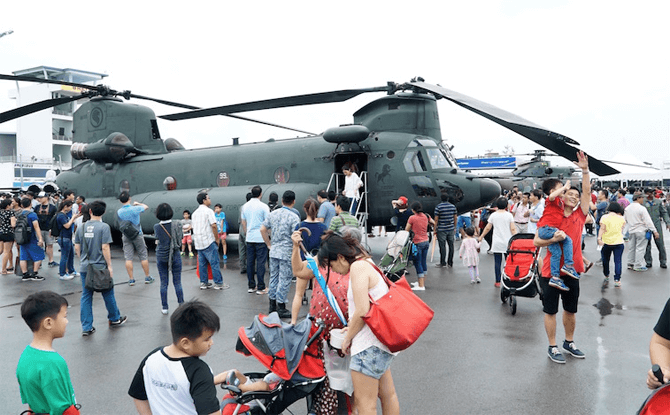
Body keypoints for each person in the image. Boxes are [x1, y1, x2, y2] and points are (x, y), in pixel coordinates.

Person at [319, 233, 399, 415]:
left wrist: (348, 338)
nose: (336, 272)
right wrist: (352, 326)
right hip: (380, 344)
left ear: (340, 257)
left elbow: (363, 309)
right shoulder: (367, 263)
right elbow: (365, 309)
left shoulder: (358, 268)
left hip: (368, 347)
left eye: (332, 265)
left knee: (365, 405)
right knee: (388, 395)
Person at [534, 151, 590, 364]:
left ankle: (569, 342)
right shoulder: (551, 217)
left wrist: (585, 170)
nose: (575, 197)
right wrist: (553, 239)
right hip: (550, 272)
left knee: (570, 310)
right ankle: (552, 346)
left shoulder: (579, 215)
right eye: (570, 194)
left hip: (573, 270)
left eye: (576, 196)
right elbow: (536, 242)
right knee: (550, 311)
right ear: (561, 197)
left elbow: (586, 191)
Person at [291, 227, 355, 414]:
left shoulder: (355, 265)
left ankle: (349, 409)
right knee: (322, 380)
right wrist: (295, 248)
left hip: (345, 333)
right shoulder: (322, 261)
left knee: (347, 381)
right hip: (320, 332)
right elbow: (299, 270)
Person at [128, 300, 226, 415]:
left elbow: (138, 396)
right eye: (207, 339)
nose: (211, 343)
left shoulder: (151, 358)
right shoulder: (200, 371)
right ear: (185, 343)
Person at [16, 291, 79, 415]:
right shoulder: (54, 362)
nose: (67, 321)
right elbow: (64, 408)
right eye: (64, 316)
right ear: (48, 323)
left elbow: (31, 403)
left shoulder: (25, 356)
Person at [74, 200, 127, 336]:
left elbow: (77, 247)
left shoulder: (81, 227)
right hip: (100, 267)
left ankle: (87, 327)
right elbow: (105, 247)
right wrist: (109, 265)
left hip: (86, 267)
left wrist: (83, 260)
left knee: (86, 296)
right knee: (108, 292)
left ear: (90, 211)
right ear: (103, 212)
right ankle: (114, 318)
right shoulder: (104, 227)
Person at [535, 179, 581, 291]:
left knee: (556, 253)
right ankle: (569, 265)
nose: (564, 190)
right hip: (547, 229)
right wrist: (564, 187)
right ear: (553, 190)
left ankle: (555, 277)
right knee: (567, 240)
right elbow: (551, 196)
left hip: (547, 229)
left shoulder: (560, 202)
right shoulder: (552, 200)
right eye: (560, 187)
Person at [261, 190, 301, 318]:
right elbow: (296, 236)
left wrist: (268, 243)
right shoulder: (294, 217)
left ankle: (272, 305)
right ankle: (281, 306)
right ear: (293, 201)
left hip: (274, 251)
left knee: (273, 277)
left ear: (282, 200)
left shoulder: (273, 214)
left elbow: (263, 229)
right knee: (284, 279)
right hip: (287, 251)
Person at [290, 199, 328, 320]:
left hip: (303, 264)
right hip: (318, 263)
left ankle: (293, 321)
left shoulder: (300, 226)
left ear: (305, 210)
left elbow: (295, 245)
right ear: (317, 210)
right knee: (317, 294)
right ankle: (315, 320)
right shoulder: (323, 227)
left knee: (298, 294)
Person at [192, 192, 228, 290]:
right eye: (208, 198)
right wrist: (216, 239)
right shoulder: (209, 211)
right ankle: (218, 283)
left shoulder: (194, 213)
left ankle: (203, 282)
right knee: (214, 262)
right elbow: (214, 225)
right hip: (208, 240)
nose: (210, 200)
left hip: (198, 242)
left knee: (202, 264)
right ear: (204, 200)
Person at [117, 192, 154, 286]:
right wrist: (138, 204)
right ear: (129, 198)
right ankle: (147, 277)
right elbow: (146, 207)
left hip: (126, 235)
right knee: (143, 255)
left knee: (128, 257)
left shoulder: (119, 211)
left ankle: (131, 279)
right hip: (137, 234)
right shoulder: (135, 209)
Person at [478, 197, 517, 287]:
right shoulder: (509, 215)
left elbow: (487, 227)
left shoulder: (493, 215)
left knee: (497, 262)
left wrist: (481, 237)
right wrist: (517, 238)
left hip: (497, 242)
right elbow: (513, 229)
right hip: (508, 242)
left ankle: (498, 281)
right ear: (507, 205)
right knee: (509, 261)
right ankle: (508, 278)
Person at [153, 203, 185, 315]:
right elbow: (180, 238)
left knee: (163, 283)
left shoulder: (157, 227)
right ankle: (181, 303)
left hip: (161, 256)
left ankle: (164, 307)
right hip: (175, 255)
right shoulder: (177, 224)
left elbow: (157, 239)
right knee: (177, 282)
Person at [241, 186, 270, 294]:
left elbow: (244, 222)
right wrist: (269, 237)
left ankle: (251, 286)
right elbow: (267, 223)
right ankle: (261, 287)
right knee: (261, 262)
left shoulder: (245, 206)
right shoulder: (263, 206)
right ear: (261, 194)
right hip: (261, 238)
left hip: (250, 237)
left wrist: (247, 232)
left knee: (250, 262)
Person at [624, 192, 658, 272]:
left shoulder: (627, 208)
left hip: (632, 230)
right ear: (638, 198)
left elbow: (625, 220)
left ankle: (630, 263)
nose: (643, 199)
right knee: (640, 248)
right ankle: (638, 265)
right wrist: (654, 231)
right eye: (642, 198)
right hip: (641, 230)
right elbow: (648, 221)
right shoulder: (641, 208)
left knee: (632, 247)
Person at [406, 201, 434, 291]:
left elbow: (407, 230)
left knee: (417, 263)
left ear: (413, 210)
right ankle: (421, 282)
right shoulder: (426, 216)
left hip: (417, 242)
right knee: (423, 262)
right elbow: (434, 223)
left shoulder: (412, 218)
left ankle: (421, 286)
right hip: (426, 241)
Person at [597, 202, 626, 288]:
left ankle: (606, 274)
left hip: (606, 242)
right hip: (619, 242)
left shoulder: (604, 217)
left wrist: (599, 238)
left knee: (605, 260)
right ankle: (617, 280)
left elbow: (602, 229)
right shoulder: (621, 218)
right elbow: (621, 229)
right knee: (618, 261)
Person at [18, 197, 45, 281]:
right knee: (39, 255)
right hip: (31, 238)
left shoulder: (19, 214)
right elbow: (36, 227)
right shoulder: (32, 215)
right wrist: (40, 238)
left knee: (23, 257)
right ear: (31, 204)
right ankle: (34, 273)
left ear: (21, 205)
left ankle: (25, 274)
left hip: (21, 238)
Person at [643, 187, 670, 269]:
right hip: (646, 226)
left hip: (656, 224)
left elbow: (664, 213)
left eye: (652, 192)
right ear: (646, 193)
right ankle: (648, 262)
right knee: (647, 245)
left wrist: (667, 222)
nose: (651, 194)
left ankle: (663, 262)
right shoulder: (642, 202)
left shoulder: (658, 202)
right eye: (649, 192)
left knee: (660, 244)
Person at [55, 200, 81, 281]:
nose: (70, 209)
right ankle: (62, 274)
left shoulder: (63, 215)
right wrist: (73, 218)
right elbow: (67, 225)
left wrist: (75, 217)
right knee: (65, 256)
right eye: (70, 207)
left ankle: (71, 270)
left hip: (67, 238)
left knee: (70, 255)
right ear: (65, 206)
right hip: (64, 238)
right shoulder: (61, 216)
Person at [433, 194, 457, 268]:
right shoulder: (453, 207)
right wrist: (454, 227)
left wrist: (434, 229)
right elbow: (455, 218)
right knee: (451, 245)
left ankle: (443, 262)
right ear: (448, 198)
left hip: (441, 229)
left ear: (441, 198)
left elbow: (436, 219)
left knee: (442, 246)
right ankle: (450, 262)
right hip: (450, 228)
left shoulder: (438, 207)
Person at [35, 191, 58, 268]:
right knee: (39, 245)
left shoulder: (52, 207)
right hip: (39, 229)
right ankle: (39, 262)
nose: (40, 199)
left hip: (49, 229)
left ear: (46, 198)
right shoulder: (37, 207)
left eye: (41, 197)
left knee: (49, 245)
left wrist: (53, 229)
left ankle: (51, 261)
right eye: (39, 197)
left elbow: (55, 218)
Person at [238, 192, 252, 274]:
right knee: (251, 250)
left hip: (241, 230)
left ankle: (242, 267)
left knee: (242, 250)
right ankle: (252, 268)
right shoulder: (251, 208)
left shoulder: (241, 207)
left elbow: (239, 220)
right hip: (247, 229)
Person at [0, 198, 15, 274]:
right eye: (11, 204)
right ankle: (3, 270)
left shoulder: (1, 212)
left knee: (1, 250)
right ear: (8, 206)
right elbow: (13, 224)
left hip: (1, 232)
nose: (12, 205)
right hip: (8, 233)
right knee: (6, 251)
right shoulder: (11, 213)